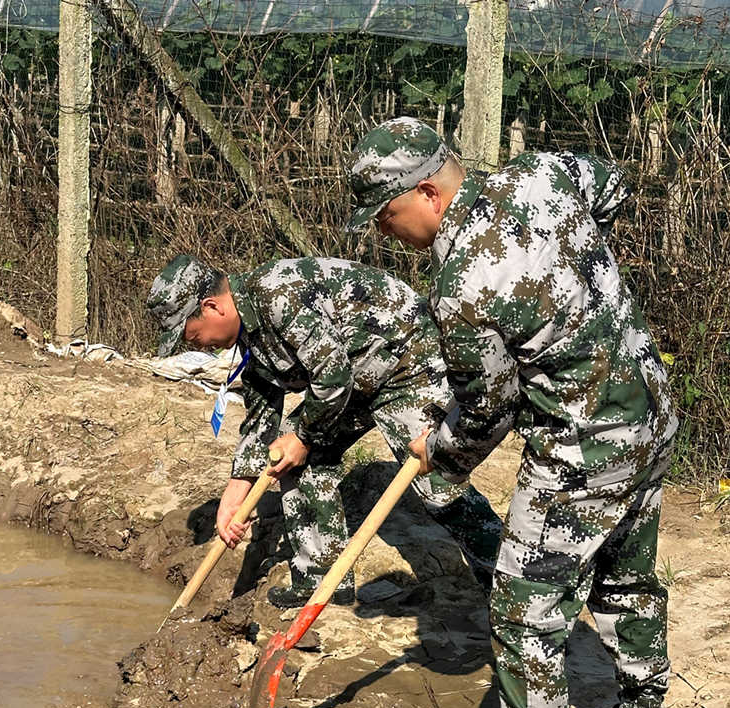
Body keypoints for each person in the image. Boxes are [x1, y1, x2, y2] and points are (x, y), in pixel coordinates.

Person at [346, 117, 678, 708]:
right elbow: (613, 186)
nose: (382, 234)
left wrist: (440, 456)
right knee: (628, 571)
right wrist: (581, 273)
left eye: (384, 215)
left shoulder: (462, 286)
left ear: (427, 192)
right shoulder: (544, 175)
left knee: (523, 607)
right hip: (651, 414)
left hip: (583, 449)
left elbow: (489, 409)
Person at [147, 254, 502, 609]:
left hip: (408, 365)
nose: (198, 346)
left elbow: (331, 375)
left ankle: (507, 582)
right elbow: (260, 416)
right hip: (355, 379)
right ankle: (321, 577)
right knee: (286, 456)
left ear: (212, 307)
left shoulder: (277, 295)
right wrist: (234, 493)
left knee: (435, 482)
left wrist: (304, 439)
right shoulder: (249, 336)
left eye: (192, 336)